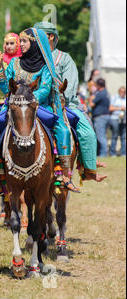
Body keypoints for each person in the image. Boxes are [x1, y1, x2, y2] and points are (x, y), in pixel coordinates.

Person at [0, 27, 77, 201]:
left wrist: (27, 99)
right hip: (15, 108)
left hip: (40, 108)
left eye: (24, 41)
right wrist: (0, 67)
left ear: (35, 43)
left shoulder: (45, 68)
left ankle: (64, 174)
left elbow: (44, 89)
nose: (21, 44)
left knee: (64, 131)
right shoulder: (14, 64)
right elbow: (6, 88)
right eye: (20, 41)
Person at [35, 21, 106, 182]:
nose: (35, 40)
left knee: (87, 132)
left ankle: (88, 169)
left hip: (65, 104)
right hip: (35, 104)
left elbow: (71, 85)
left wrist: (60, 97)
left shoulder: (64, 58)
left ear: (51, 37)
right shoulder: (30, 58)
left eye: (39, 36)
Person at [89, 78, 111, 157]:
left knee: (100, 136)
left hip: (100, 117)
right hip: (105, 116)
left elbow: (91, 104)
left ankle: (103, 154)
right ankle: (101, 153)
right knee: (102, 136)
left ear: (98, 85)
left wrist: (91, 96)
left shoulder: (100, 93)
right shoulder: (106, 93)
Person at [108, 86, 126, 156]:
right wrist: (119, 108)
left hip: (124, 120)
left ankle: (123, 153)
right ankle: (113, 153)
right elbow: (110, 108)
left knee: (123, 137)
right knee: (114, 136)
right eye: (121, 91)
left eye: (124, 92)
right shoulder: (114, 98)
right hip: (115, 118)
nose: (123, 93)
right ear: (119, 92)